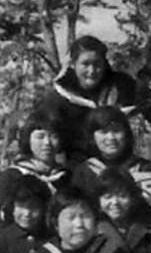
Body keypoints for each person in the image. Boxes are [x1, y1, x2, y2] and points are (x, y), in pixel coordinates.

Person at [37, 35, 137, 164]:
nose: (92, 71)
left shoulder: (123, 88)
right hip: (78, 166)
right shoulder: (58, 100)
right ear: (73, 64)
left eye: (97, 64)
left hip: (123, 163)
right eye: (85, 64)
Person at [70, 106, 151, 212]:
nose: (111, 137)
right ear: (92, 137)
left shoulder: (146, 169)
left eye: (116, 131)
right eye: (104, 132)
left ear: (126, 134)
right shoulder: (85, 172)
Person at [0, 111, 69, 235]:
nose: (47, 143)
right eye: (40, 137)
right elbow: (1, 223)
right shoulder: (12, 177)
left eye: (53, 136)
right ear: (28, 139)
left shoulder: (67, 177)